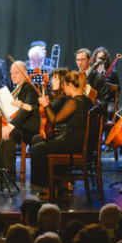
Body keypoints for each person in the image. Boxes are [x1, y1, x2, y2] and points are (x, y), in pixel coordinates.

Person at [29, 71, 93, 199]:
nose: (63, 88)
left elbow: (55, 120)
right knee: (38, 139)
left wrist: (45, 104)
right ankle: (57, 183)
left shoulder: (74, 102)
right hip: (79, 141)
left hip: (72, 142)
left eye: (64, 85)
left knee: (37, 149)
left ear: (70, 85)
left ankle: (47, 187)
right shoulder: (86, 100)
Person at [0, 60, 41, 174]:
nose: (13, 76)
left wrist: (10, 126)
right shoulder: (16, 89)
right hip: (17, 123)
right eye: (11, 73)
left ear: (24, 73)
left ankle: (9, 173)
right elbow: (9, 112)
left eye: (16, 73)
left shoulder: (30, 86)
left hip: (27, 125)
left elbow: (25, 110)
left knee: (7, 135)